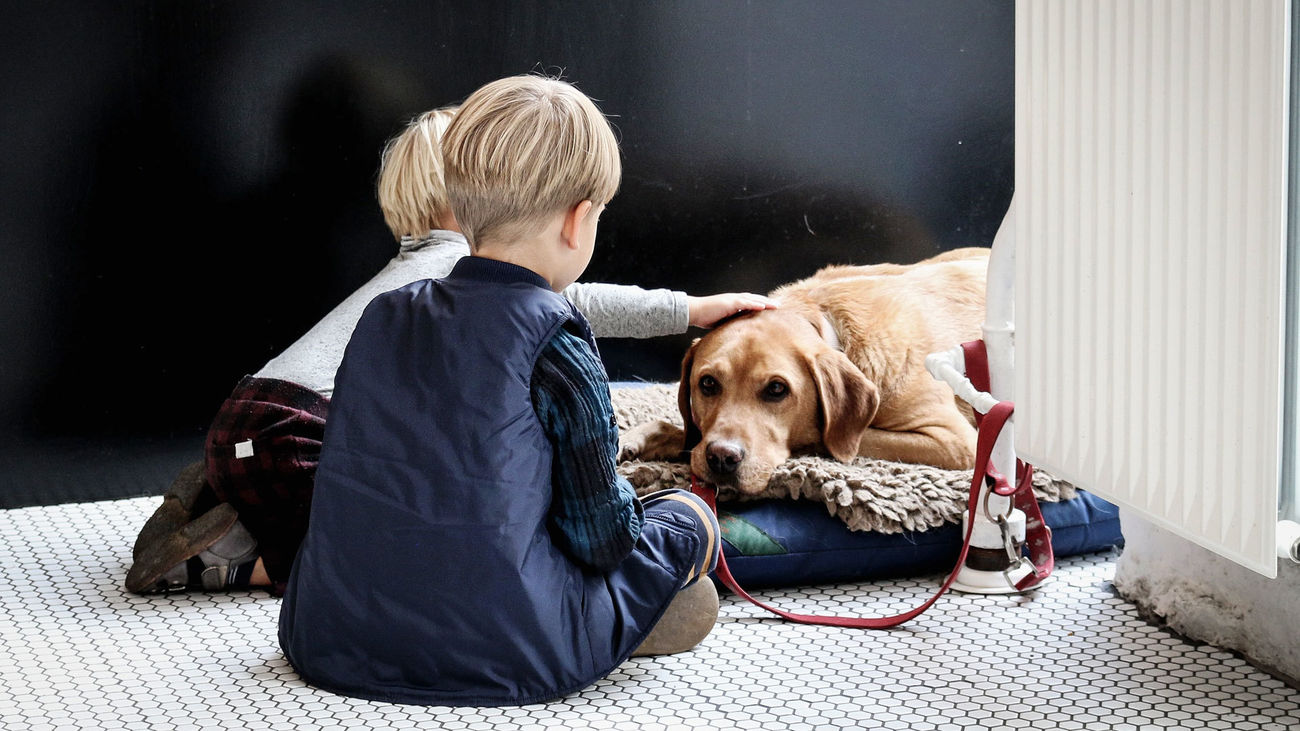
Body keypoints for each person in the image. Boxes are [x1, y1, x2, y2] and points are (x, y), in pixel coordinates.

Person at [126, 104, 773, 597]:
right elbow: (576, 300)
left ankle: (227, 501)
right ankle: (228, 562)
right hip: (300, 427)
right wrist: (687, 309)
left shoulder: (412, 275)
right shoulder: (461, 270)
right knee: (366, 554)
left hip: (256, 414)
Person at [278, 74, 732, 705]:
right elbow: (601, 540)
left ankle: (600, 613)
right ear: (579, 222)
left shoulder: (383, 314)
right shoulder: (556, 340)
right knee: (685, 518)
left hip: (331, 633)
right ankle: (629, 609)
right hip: (508, 646)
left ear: (458, 211)